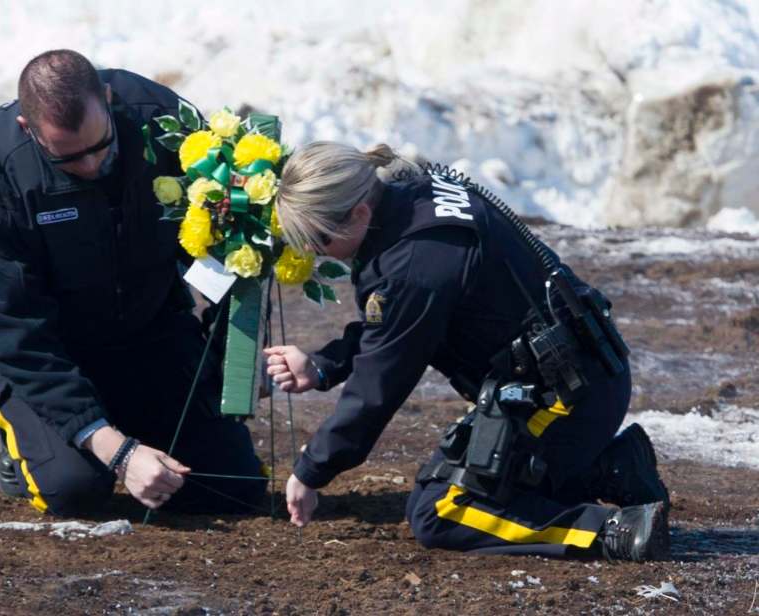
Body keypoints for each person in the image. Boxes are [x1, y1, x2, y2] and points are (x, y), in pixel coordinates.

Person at [264, 142, 671, 561]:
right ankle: (611, 469)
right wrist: (322, 365)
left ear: (359, 214)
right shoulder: (414, 196)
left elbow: (378, 387)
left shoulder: (415, 263)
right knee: (498, 480)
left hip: (567, 397)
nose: (311, 251)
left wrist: (312, 469)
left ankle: (616, 531)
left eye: (316, 238)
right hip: (578, 375)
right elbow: (394, 323)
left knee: (441, 510)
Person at [0, 49, 266, 517]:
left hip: (148, 325)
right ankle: (26, 440)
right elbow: (12, 327)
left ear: (109, 101)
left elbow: (231, 245)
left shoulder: (166, 124)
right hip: (50, 346)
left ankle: (129, 415)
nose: (92, 166)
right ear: (28, 131)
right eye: (70, 158)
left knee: (230, 485)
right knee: (75, 492)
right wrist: (119, 452)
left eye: (101, 147)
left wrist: (231, 364)